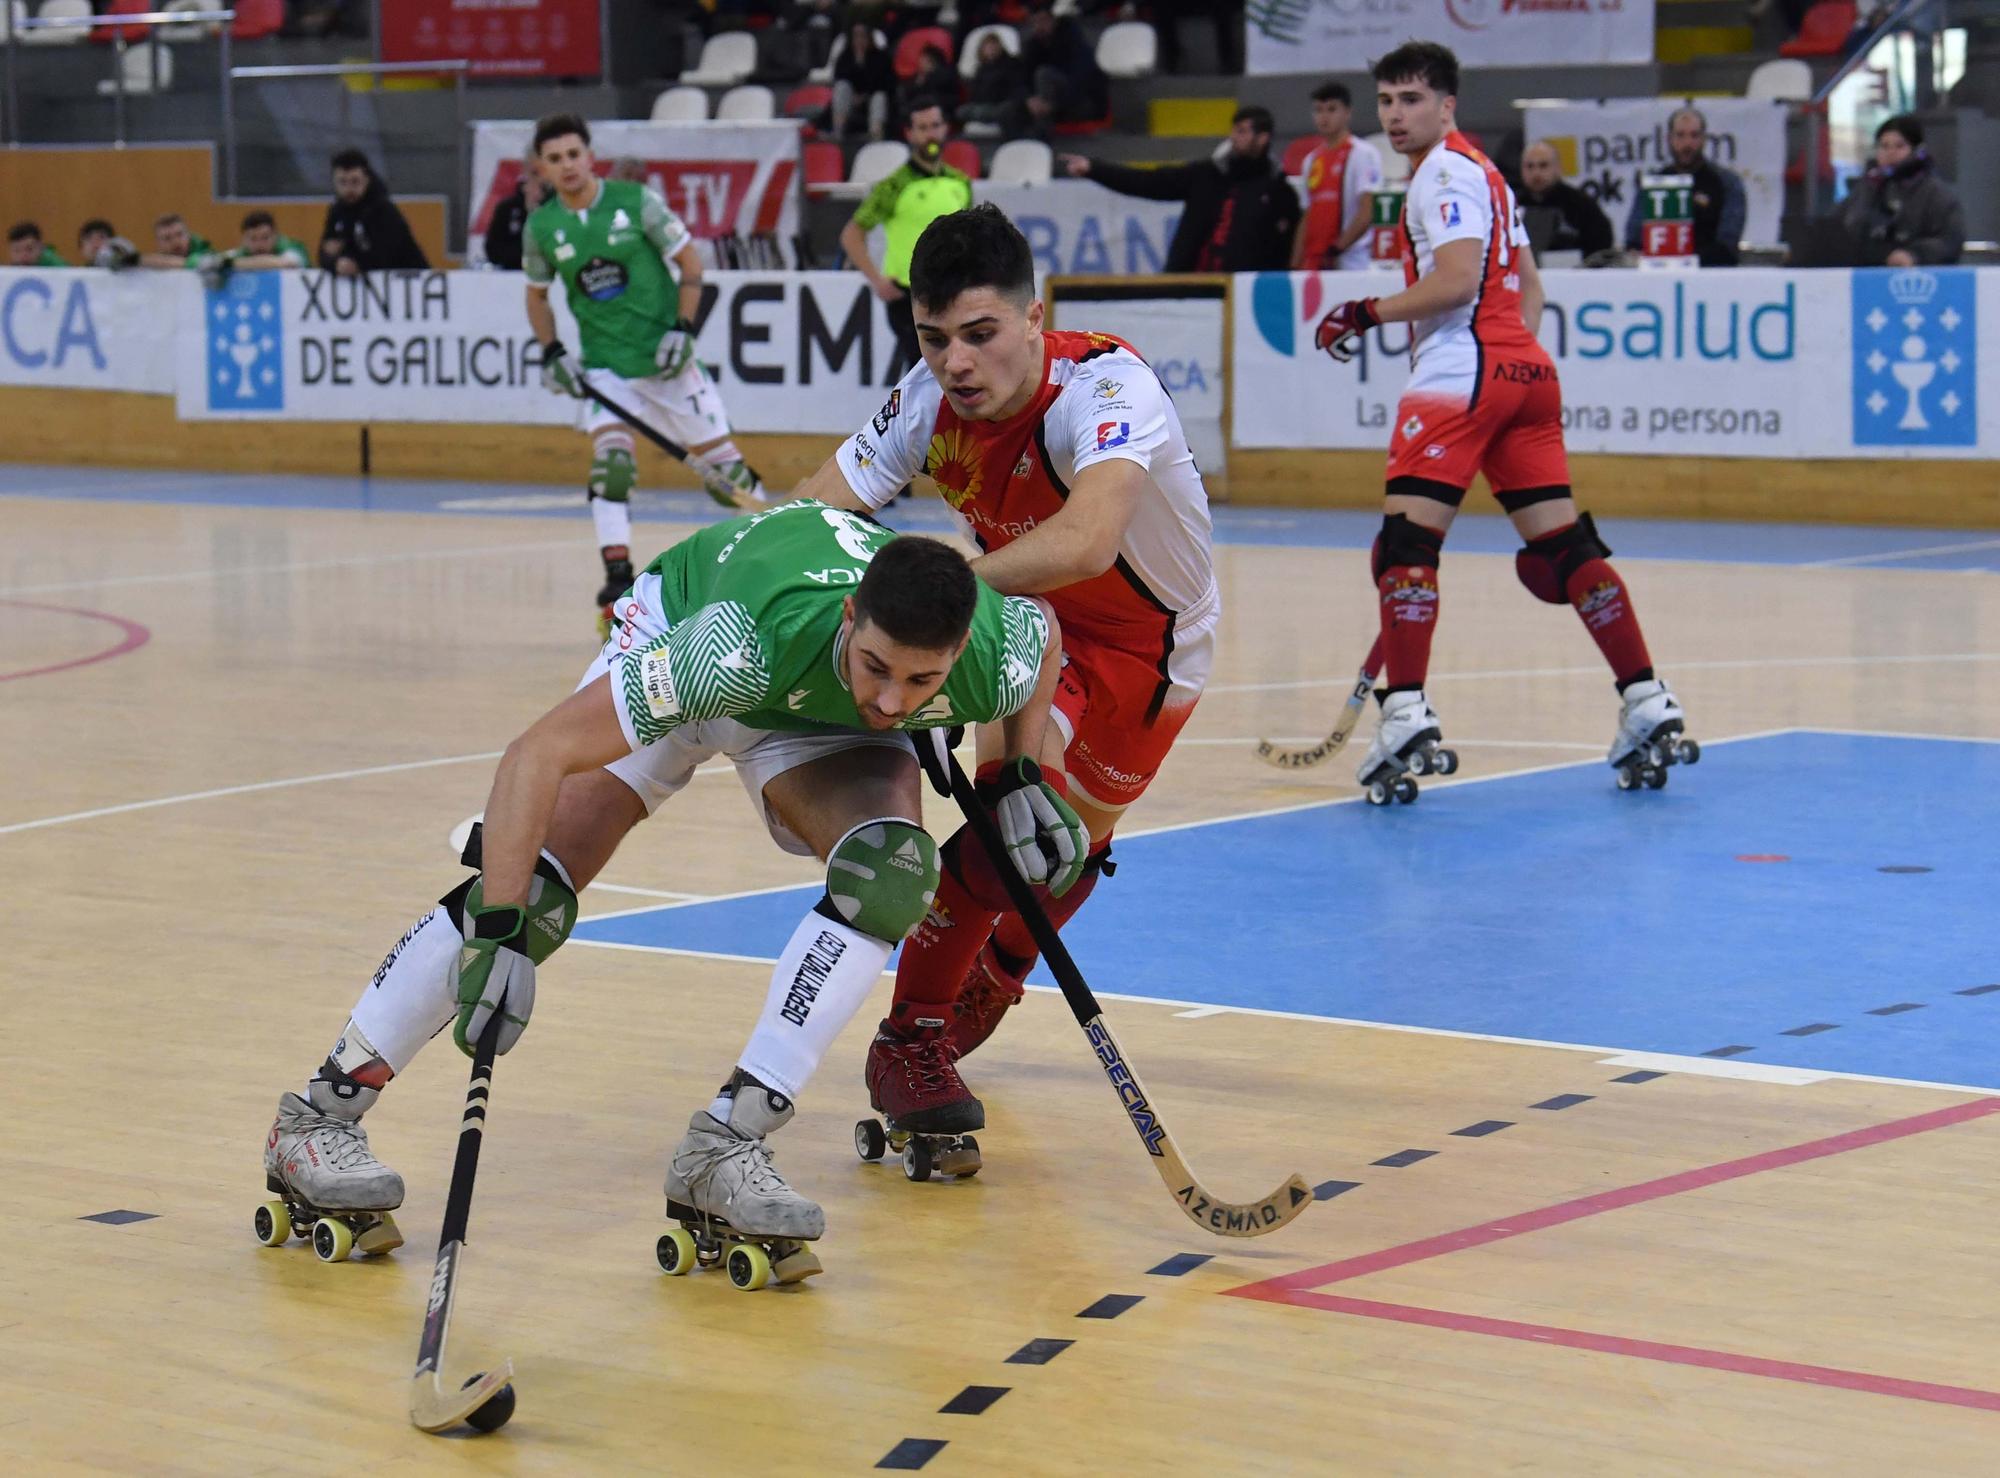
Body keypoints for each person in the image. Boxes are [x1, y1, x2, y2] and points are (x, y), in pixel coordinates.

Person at [258, 505, 1066, 1271]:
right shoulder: (727, 649)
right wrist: (501, 925)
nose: (892, 702)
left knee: (891, 872)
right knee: (535, 893)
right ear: (852, 617)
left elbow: (1046, 635)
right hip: (695, 637)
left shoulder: (997, 648)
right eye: (877, 668)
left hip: (808, 705)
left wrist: (1018, 770)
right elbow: (534, 755)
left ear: (959, 655)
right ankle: (316, 1120)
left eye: (921, 682)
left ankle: (726, 1145)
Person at [793, 204, 1220, 1146]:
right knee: (1001, 834)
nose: (957, 364)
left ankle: (1003, 970)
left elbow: (1087, 538)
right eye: (935, 338)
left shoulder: (1104, 388)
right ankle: (909, 1039)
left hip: (1156, 648)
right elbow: (814, 512)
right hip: (1026, 628)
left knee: (1067, 856)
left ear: (1036, 317)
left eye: (981, 335)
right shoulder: (926, 402)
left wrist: (933, 592)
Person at [1312, 42, 1694, 795]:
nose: (1395, 114)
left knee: (1406, 546)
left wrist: (1364, 311)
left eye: (1411, 100)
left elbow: (1455, 284)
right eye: (1385, 101)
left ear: (1447, 105)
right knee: (1563, 550)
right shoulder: (1489, 175)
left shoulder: (1442, 174)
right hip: (1526, 371)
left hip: (1464, 374)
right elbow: (1533, 291)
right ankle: (1646, 698)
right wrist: (1511, 360)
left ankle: (1406, 710)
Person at [523, 113, 773, 632]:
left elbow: (692, 264)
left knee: (727, 483)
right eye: (555, 159)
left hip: (667, 365)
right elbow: (537, 296)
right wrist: (552, 352)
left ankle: (774, 569)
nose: (567, 166)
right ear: (541, 168)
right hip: (605, 371)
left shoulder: (637, 203)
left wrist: (683, 328)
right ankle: (616, 590)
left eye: (574, 154)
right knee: (611, 470)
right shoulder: (542, 227)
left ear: (589, 156)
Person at [1061, 106, 1301, 272]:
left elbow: (1286, 251)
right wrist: (1095, 169)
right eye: (1234, 130)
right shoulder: (1207, 175)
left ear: (1263, 138)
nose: (1233, 137)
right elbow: (1147, 182)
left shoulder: (1280, 192)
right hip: (1191, 284)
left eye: (1242, 131)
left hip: (1245, 294)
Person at [839, 98, 975, 381]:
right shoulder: (895, 185)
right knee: (924, 370)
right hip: (908, 294)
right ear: (910, 134)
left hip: (952, 291)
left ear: (945, 129)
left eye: (935, 126)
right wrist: (877, 279)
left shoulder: (959, 182)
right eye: (922, 128)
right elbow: (852, 234)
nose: (931, 134)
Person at [1620, 107, 1744, 268]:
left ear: (1704, 139)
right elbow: (1634, 240)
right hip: (1657, 277)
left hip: (1711, 276)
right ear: (1669, 139)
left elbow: (1728, 244)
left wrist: (1685, 264)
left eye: (1694, 135)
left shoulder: (1727, 183)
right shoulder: (1652, 184)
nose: (1687, 144)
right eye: (1680, 135)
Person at [1834, 114, 1964, 266]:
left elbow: (1950, 239)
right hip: (1866, 274)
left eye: (1899, 146)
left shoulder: (1936, 193)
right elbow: (1841, 227)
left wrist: (1915, 254)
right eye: (1884, 146)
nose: (1891, 152)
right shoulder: (1866, 188)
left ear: (1916, 150)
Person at [1292, 81, 1385, 271]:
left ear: (1347, 113)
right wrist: (1296, 260)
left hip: (1350, 260)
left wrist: (1338, 248)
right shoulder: (1311, 160)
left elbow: (1368, 209)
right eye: (1318, 110)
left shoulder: (1362, 153)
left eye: (1331, 109)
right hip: (1314, 261)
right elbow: (1307, 214)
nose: (1324, 117)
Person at [318, 149, 430, 276]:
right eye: (342, 182)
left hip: (405, 283)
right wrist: (335, 264)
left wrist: (355, 263)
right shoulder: (336, 213)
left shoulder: (384, 211)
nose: (349, 189)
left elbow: (387, 254)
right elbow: (324, 254)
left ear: (366, 180)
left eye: (355, 181)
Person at [1516, 141, 1614, 260]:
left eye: (1543, 165)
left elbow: (1601, 244)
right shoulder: (1512, 204)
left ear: (1558, 168)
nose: (1536, 173)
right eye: (1530, 166)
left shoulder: (1580, 204)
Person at [1021, 3, 1108, 136]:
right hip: (1052, 106)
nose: (1039, 26)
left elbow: (1080, 81)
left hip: (1081, 103)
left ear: (1054, 21)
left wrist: (1052, 105)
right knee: (1011, 108)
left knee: (1044, 74)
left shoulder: (1074, 43)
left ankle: (1041, 132)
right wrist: (1030, 99)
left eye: (1043, 21)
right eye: (1035, 22)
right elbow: (1023, 77)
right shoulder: (1033, 46)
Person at [482, 152, 552, 271]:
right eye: (534, 173)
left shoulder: (560, 208)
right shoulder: (507, 208)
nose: (538, 180)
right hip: (512, 276)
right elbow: (492, 250)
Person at [830, 22, 896, 140]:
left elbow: (886, 84)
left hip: (872, 97)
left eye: (863, 36)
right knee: (841, 87)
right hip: (850, 100)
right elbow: (840, 78)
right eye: (856, 36)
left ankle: (876, 135)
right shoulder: (845, 56)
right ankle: (838, 132)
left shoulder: (881, 57)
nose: (859, 40)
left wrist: (865, 96)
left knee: (879, 97)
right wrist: (858, 62)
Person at [959, 32, 1027, 139]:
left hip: (1001, 104)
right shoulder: (981, 69)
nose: (991, 49)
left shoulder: (1011, 63)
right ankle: (986, 115)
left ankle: (988, 116)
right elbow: (974, 94)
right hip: (984, 105)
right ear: (982, 50)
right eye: (988, 46)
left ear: (1000, 47)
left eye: (994, 45)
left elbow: (1014, 88)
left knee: (1006, 110)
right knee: (961, 111)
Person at [226, 210, 313, 271]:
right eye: (253, 239)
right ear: (244, 240)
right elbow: (218, 262)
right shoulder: (240, 253)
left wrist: (232, 264)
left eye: (265, 238)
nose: (259, 244)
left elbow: (288, 264)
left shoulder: (293, 247)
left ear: (275, 236)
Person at [139, 212, 219, 272]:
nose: (175, 242)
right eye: (167, 238)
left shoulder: (206, 253)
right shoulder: (155, 268)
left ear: (189, 235)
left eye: (179, 235)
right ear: (158, 243)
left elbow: (197, 262)